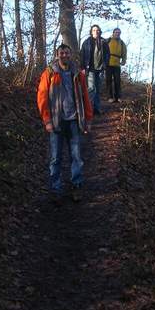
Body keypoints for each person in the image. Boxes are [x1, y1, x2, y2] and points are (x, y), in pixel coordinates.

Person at [37, 44, 93, 203]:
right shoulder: (49, 73)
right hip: (56, 122)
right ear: (57, 55)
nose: (64, 55)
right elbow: (42, 99)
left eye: (67, 53)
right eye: (61, 53)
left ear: (70, 55)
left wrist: (88, 119)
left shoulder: (77, 74)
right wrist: (47, 120)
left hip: (74, 121)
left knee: (76, 157)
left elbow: (85, 98)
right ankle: (56, 190)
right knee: (55, 158)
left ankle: (77, 186)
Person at [80, 24, 109, 115]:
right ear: (91, 32)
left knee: (97, 89)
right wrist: (82, 67)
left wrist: (105, 64)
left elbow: (108, 54)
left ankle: (97, 109)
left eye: (97, 30)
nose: (96, 32)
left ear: (100, 31)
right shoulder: (87, 42)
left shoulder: (104, 42)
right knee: (91, 88)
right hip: (90, 69)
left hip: (100, 69)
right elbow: (82, 55)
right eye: (94, 30)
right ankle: (87, 108)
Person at [106, 28, 127, 103]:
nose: (117, 34)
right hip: (108, 63)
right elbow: (103, 50)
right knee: (108, 80)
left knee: (117, 81)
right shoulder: (108, 40)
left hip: (117, 64)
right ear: (113, 33)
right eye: (116, 32)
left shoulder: (122, 43)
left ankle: (118, 97)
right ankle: (110, 97)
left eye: (119, 33)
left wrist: (124, 61)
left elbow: (124, 53)